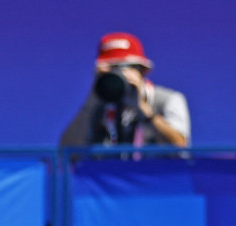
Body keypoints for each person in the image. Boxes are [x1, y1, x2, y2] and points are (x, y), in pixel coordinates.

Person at [59, 32, 190, 149]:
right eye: (111, 69)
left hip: (158, 175)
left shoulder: (168, 99)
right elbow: (66, 155)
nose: (118, 74)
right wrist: (94, 95)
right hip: (110, 176)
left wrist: (146, 111)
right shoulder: (99, 107)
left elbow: (180, 147)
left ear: (142, 70)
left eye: (124, 67)